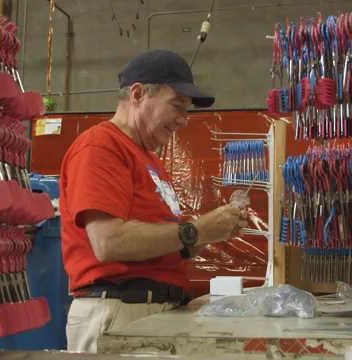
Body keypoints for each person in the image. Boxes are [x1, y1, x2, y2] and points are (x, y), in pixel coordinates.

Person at [59, 49, 248, 353]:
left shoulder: (149, 160)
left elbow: (165, 244)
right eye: (177, 106)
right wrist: (195, 231)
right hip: (120, 311)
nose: (184, 120)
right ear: (137, 94)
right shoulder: (101, 147)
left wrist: (212, 231)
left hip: (151, 310)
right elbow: (109, 242)